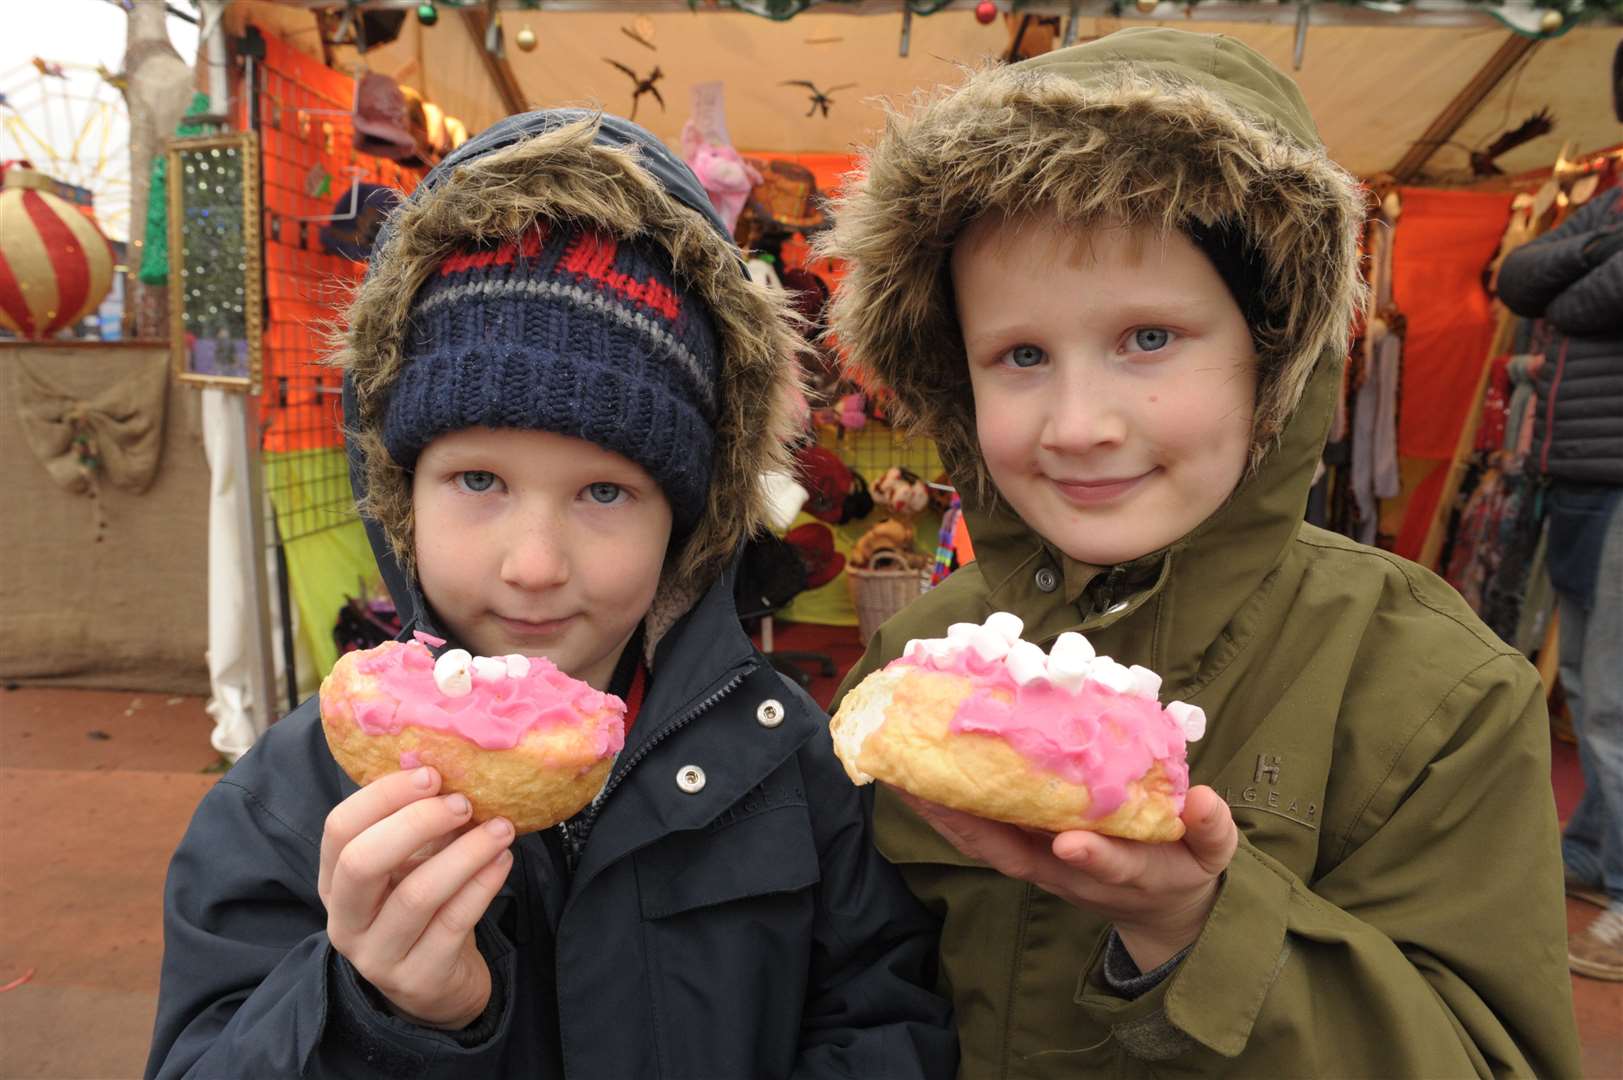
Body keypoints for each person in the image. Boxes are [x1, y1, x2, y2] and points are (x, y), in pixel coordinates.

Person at [821, 28, 1582, 1076]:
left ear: (1271, 355)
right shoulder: (912, 668)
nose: (1079, 423)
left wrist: (1194, 928)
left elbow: (1493, 1059)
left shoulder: (1434, 694)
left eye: (1148, 339)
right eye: (1023, 355)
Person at [145, 111, 956, 1079]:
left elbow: (885, 1020)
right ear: (400, 493)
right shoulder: (285, 803)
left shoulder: (791, 766)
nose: (534, 565)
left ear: (689, 524)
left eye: (604, 492)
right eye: (479, 482)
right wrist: (378, 1013)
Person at [1497, 180, 1623, 981]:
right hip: (1578, 476)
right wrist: (1589, 248)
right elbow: (1517, 277)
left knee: (1613, 695)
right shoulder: (1609, 205)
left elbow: (1575, 306)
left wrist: (1568, 273)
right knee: (1581, 679)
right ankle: (1589, 849)